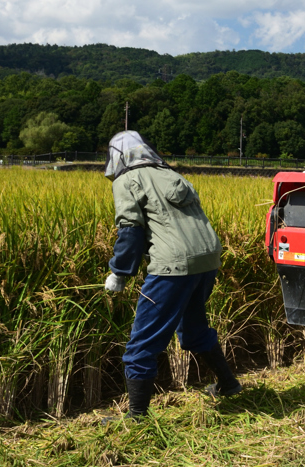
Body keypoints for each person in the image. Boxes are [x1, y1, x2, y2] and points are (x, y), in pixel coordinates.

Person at [103, 130, 242, 421]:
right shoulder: (171, 174)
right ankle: (229, 385)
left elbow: (130, 231)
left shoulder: (126, 180)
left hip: (173, 267)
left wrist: (119, 272)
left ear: (117, 156)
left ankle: (137, 417)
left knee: (141, 345)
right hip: (207, 260)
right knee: (193, 330)